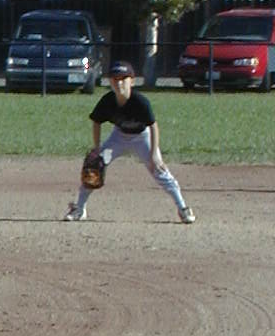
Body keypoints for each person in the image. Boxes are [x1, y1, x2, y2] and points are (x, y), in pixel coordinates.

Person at [63, 61, 195, 223]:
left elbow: (153, 126)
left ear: (132, 81)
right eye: (115, 79)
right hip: (118, 136)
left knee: (159, 169)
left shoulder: (140, 102)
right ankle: (80, 209)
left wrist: (154, 154)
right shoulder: (107, 101)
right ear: (110, 82)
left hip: (142, 137)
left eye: (123, 79)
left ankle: (183, 208)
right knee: (93, 168)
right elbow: (96, 122)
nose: (119, 83)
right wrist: (97, 149)